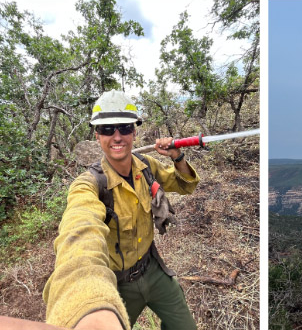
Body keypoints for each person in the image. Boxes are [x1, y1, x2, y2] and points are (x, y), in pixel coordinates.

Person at [44, 91, 199, 330]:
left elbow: (185, 185)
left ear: (134, 132)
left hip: (153, 269)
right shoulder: (90, 184)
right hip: (118, 285)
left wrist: (177, 156)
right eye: (107, 129)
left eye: (124, 128)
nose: (117, 136)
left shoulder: (147, 166)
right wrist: (85, 296)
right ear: (97, 135)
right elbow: (79, 230)